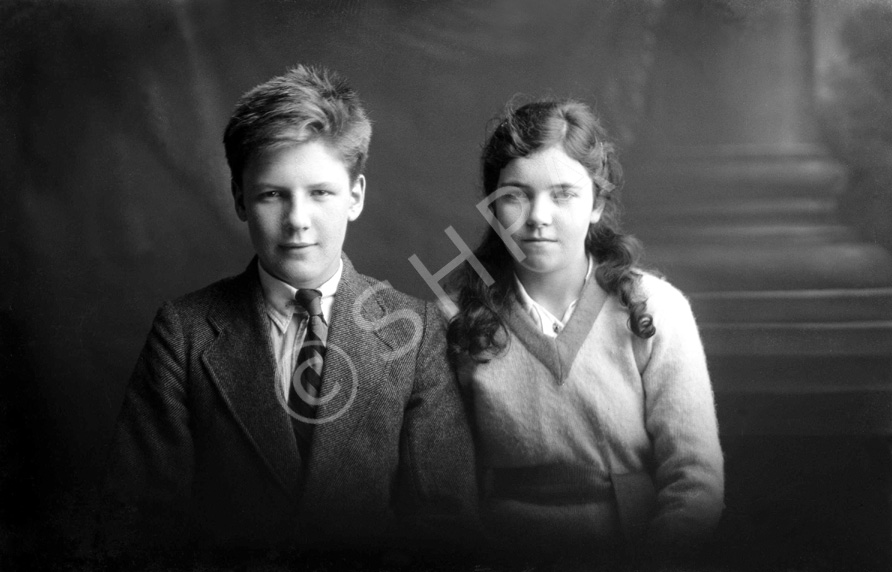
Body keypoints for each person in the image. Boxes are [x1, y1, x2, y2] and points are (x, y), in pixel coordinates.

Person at [98, 64, 477, 565]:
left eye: (320, 192)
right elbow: (141, 523)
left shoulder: (417, 330)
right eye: (273, 194)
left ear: (355, 197)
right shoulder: (184, 333)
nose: (298, 220)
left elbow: (444, 525)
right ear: (239, 199)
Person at [445, 99, 724, 565]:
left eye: (563, 194)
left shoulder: (652, 309)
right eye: (515, 194)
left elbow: (695, 479)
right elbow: (444, 483)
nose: (538, 216)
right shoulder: (456, 319)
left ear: (597, 204)